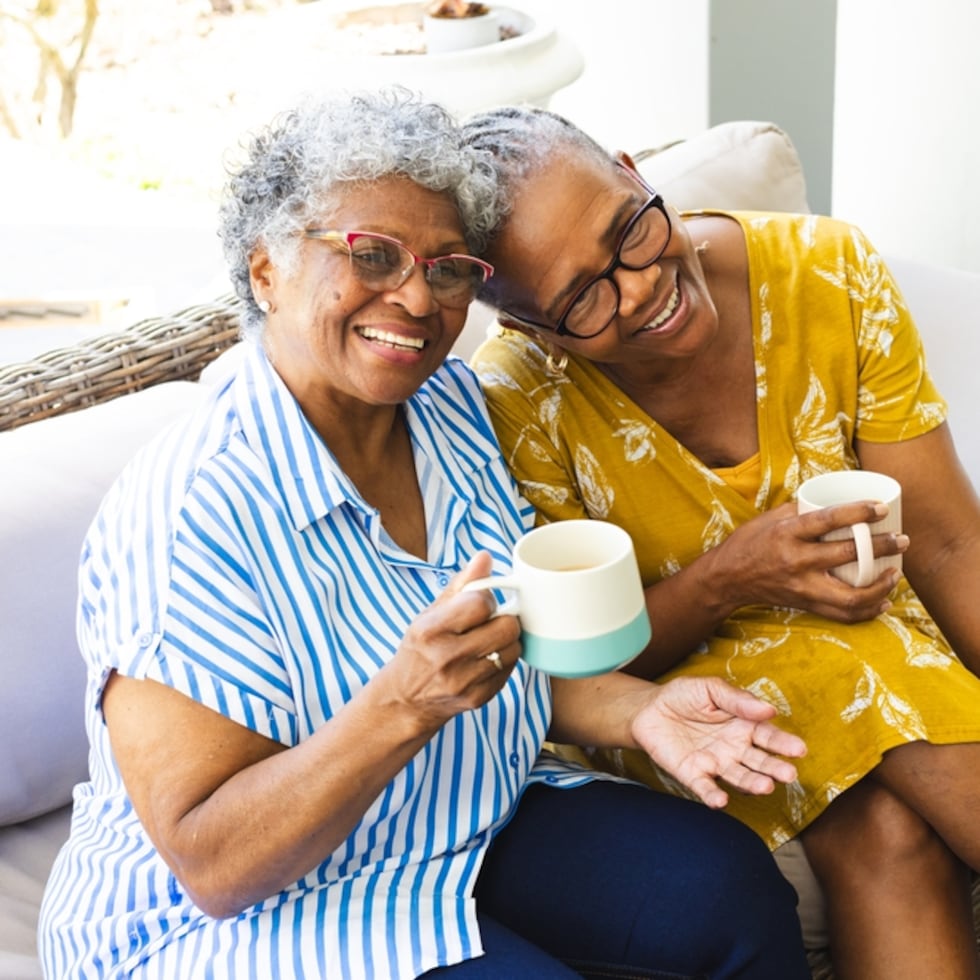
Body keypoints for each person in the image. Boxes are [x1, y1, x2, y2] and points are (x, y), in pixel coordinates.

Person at [37, 90, 811, 980]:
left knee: (726, 891)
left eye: (448, 268)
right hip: (234, 922)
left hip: (448, 818)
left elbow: (512, 663)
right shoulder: (186, 515)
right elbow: (214, 864)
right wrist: (398, 707)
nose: (416, 297)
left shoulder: (447, 407)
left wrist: (642, 711)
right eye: (372, 255)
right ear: (265, 271)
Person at [462, 105, 980, 979]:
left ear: (633, 171)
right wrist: (732, 577)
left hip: (883, 643)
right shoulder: (516, 400)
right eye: (581, 299)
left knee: (882, 824)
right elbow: (583, 666)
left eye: (630, 228)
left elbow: (947, 546)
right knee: (850, 674)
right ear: (529, 328)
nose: (639, 289)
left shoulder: (830, 270)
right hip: (691, 697)